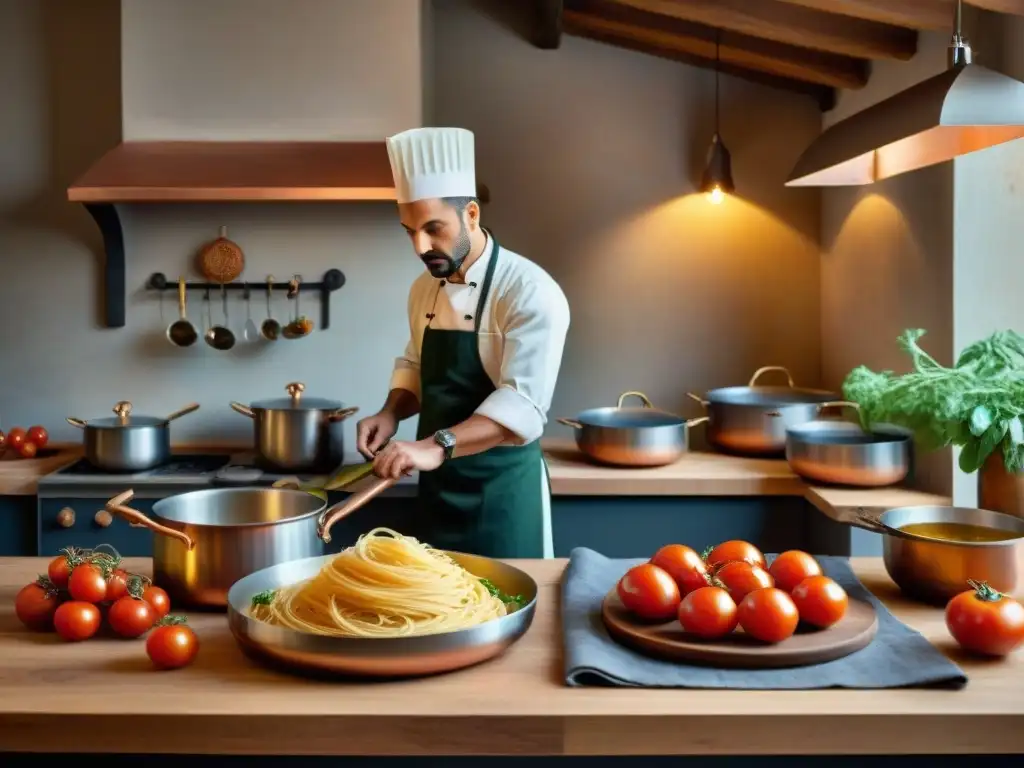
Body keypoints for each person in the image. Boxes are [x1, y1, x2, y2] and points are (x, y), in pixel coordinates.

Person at [356, 126, 570, 559]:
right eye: (409, 231)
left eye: (434, 228)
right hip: (438, 488)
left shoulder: (529, 290)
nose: (421, 245)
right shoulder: (423, 288)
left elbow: (523, 404)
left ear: (471, 214)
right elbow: (417, 364)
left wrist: (435, 446)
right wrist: (391, 411)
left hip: (503, 494)